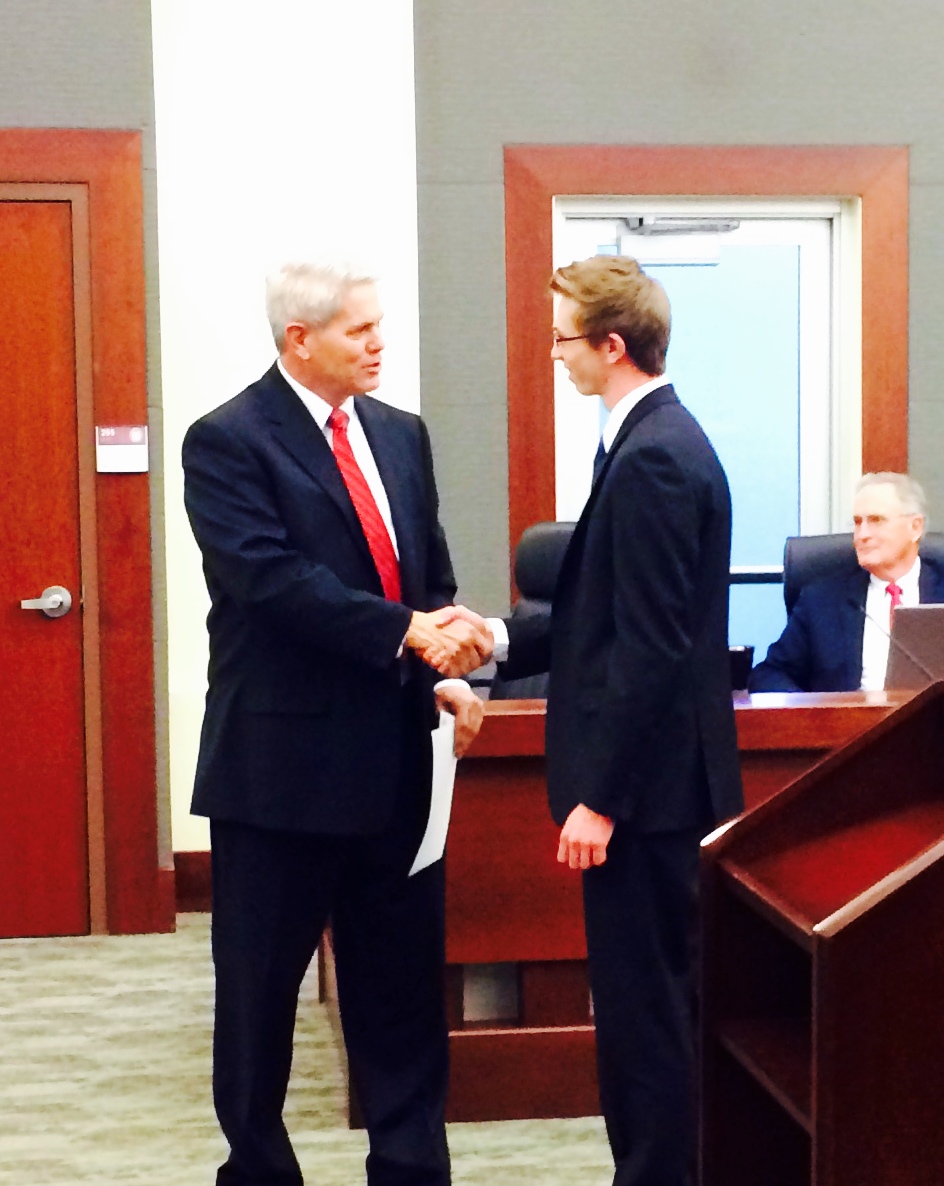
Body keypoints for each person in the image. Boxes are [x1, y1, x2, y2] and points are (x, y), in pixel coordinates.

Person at [182, 260, 488, 1186]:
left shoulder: (401, 434)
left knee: (401, 991)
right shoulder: (229, 440)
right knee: (260, 998)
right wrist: (406, 632)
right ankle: (259, 1169)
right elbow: (271, 581)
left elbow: (426, 573)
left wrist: (444, 667)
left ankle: (409, 1166)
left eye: (379, 325)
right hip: (280, 773)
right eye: (360, 330)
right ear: (300, 339)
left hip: (398, 764)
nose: (380, 343)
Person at [451, 255, 743, 1186]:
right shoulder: (644, 439)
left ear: (612, 346)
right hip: (656, 793)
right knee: (639, 1012)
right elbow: (598, 616)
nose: (555, 355)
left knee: (644, 1018)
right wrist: (494, 638)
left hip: (648, 801)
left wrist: (601, 799)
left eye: (562, 339)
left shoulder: (654, 456)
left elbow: (651, 650)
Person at [749, 472, 944, 692]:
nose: (862, 535)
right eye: (858, 523)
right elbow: (769, 674)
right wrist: (813, 712)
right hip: (851, 713)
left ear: (915, 527)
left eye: (876, 520)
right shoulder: (821, 601)